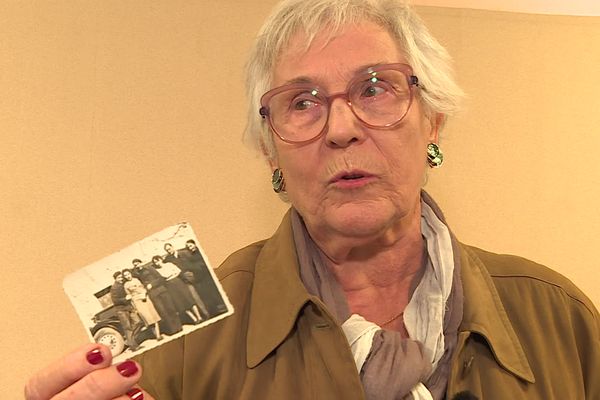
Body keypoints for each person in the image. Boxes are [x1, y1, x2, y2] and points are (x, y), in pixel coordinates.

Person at [25, 1, 599, 399]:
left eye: (375, 88)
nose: (341, 127)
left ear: (433, 123)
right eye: (302, 102)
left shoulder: (560, 318)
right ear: (271, 151)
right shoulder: (181, 343)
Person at [131, 258, 183, 336]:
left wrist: (152, 284)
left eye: (138, 264)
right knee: (162, 311)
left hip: (161, 290)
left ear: (141, 263)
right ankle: (172, 330)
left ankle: (179, 327)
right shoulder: (137, 274)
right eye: (135, 265)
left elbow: (160, 278)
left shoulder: (150, 268)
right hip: (152, 294)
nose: (137, 266)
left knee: (170, 308)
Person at [151, 255, 203, 324]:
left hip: (178, 282)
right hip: (170, 286)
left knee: (189, 299)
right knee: (180, 304)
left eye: (158, 261)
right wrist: (171, 274)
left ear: (161, 259)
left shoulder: (169, 264)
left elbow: (178, 271)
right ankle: (194, 319)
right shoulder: (158, 270)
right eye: (155, 262)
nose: (157, 263)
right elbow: (164, 277)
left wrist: (171, 275)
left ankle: (199, 317)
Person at [163, 242, 210, 318]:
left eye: (169, 248)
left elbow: (194, 263)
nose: (169, 251)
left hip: (195, 276)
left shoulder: (184, 253)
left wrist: (192, 272)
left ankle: (213, 310)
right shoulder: (168, 259)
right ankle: (206, 314)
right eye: (167, 250)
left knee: (204, 293)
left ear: (172, 246)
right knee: (194, 297)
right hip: (183, 280)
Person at [183, 239, 228, 317]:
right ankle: (215, 310)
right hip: (200, 278)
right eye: (188, 247)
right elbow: (190, 266)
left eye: (190, 245)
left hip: (207, 276)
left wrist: (195, 267)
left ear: (195, 244)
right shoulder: (191, 256)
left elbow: (204, 264)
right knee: (207, 294)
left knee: (214, 291)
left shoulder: (201, 253)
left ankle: (222, 307)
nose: (190, 248)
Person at [122, 269, 162, 342]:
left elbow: (143, 288)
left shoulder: (136, 280)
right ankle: (155, 334)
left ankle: (158, 335)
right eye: (125, 275)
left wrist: (144, 293)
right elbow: (129, 296)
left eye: (128, 274)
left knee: (154, 316)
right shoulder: (126, 285)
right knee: (147, 318)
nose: (127, 276)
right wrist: (134, 307)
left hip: (145, 298)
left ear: (130, 273)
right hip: (137, 301)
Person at [109, 271, 142, 352]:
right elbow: (115, 301)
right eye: (119, 278)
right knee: (127, 328)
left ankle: (129, 341)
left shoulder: (123, 284)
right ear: (115, 279)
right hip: (121, 310)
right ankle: (133, 346)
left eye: (121, 277)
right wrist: (125, 299)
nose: (121, 279)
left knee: (138, 322)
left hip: (128, 308)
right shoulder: (114, 288)